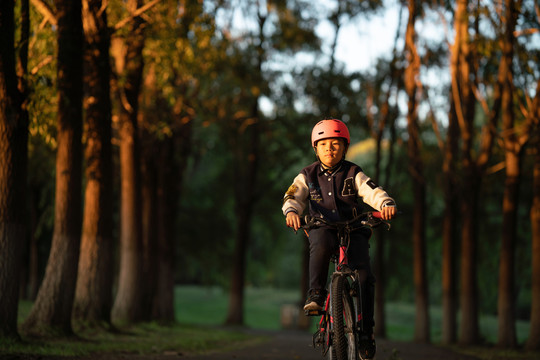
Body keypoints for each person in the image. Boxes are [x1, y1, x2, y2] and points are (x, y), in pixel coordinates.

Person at [282, 119, 396, 359]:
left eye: (335, 144)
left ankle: (366, 332)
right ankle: (316, 294)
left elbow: (371, 191)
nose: (329, 149)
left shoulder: (353, 172)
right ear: (316, 148)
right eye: (323, 144)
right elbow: (294, 195)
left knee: (364, 275)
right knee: (320, 245)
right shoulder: (307, 174)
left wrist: (384, 203)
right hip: (322, 227)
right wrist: (292, 211)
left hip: (353, 229)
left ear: (345, 147)